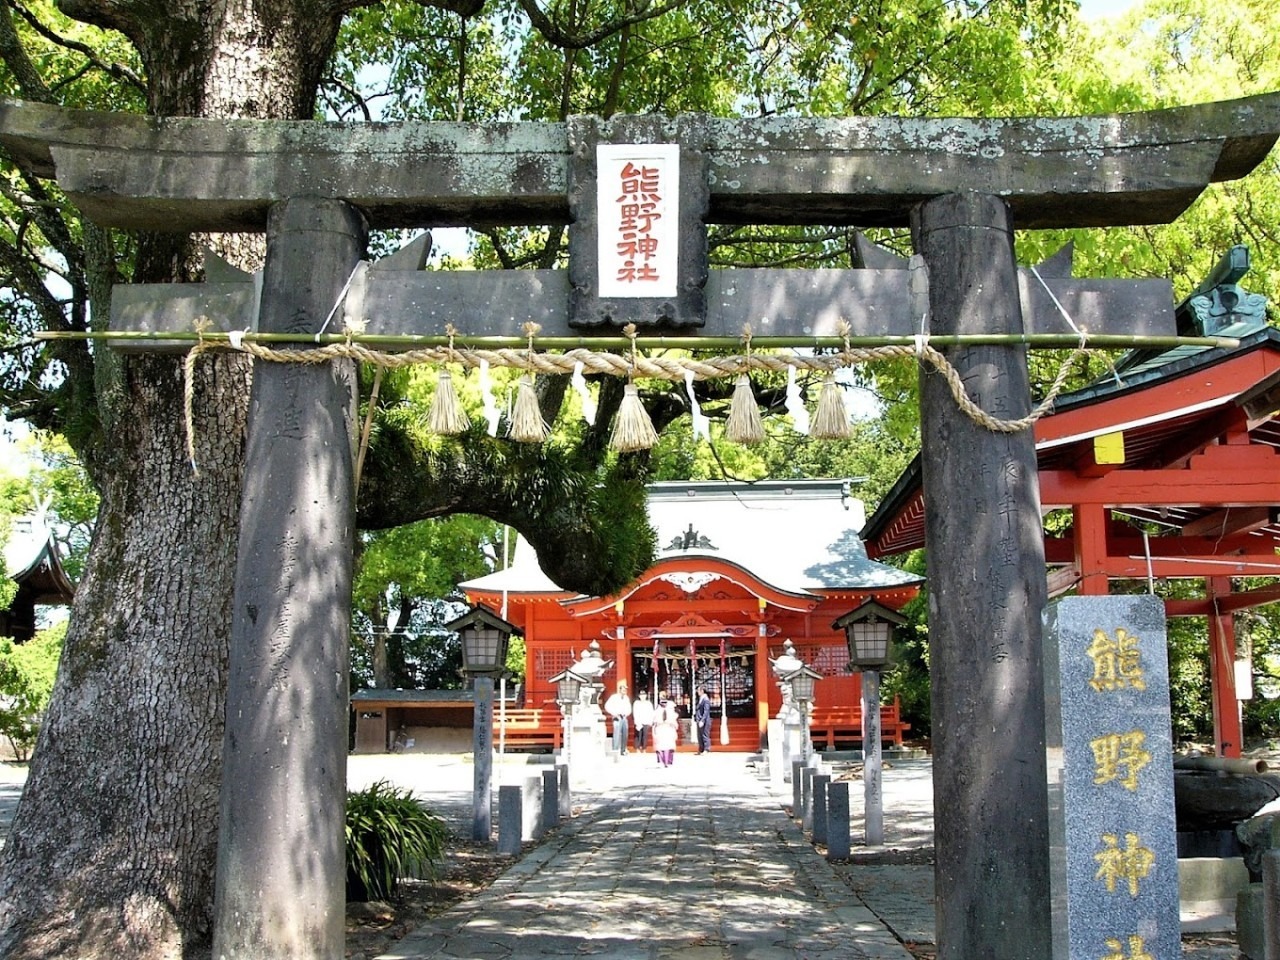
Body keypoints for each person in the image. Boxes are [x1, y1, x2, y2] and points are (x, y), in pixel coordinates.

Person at [604, 682, 631, 755]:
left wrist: (627, 713)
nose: (624, 691)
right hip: (617, 716)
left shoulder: (626, 698)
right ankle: (615, 750)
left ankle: (623, 750)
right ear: (620, 690)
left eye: (625, 689)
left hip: (624, 717)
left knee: (625, 734)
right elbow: (607, 706)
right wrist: (614, 713)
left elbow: (629, 707)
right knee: (616, 733)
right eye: (623, 689)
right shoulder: (614, 697)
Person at [652, 695, 679, 767]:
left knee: (669, 746)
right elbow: (654, 721)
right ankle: (661, 761)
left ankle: (668, 761)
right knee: (660, 746)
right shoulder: (657, 711)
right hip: (660, 729)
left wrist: (673, 724)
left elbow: (674, 721)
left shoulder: (671, 710)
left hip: (668, 729)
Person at [694, 687, 712, 754]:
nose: (697, 692)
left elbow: (706, 711)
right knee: (699, 735)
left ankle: (706, 749)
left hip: (704, 720)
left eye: (698, 690)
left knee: (705, 734)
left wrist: (703, 720)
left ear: (702, 691)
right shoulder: (700, 699)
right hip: (699, 719)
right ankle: (701, 748)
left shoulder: (706, 699)